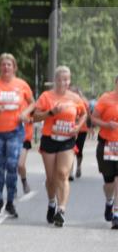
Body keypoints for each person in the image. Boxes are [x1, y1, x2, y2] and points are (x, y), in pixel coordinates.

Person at [0, 53, 34, 218]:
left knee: (12, 166)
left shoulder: (22, 84)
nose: (6, 67)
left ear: (14, 67)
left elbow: (33, 102)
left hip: (15, 132)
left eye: (9, 65)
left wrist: (25, 113)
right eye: (3, 64)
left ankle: (10, 200)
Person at [32, 66, 87, 228]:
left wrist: (77, 126)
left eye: (66, 79)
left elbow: (83, 113)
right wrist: (51, 112)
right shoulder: (46, 96)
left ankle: (61, 210)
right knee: (51, 178)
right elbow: (34, 117)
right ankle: (51, 202)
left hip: (67, 140)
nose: (63, 82)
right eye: (60, 79)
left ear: (69, 80)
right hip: (49, 139)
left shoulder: (75, 98)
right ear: (55, 80)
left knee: (62, 174)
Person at [90, 75, 118, 229]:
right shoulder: (106, 99)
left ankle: (116, 214)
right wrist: (107, 125)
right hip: (106, 145)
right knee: (109, 182)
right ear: (116, 83)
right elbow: (93, 119)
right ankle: (109, 201)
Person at [71, 86, 91, 180]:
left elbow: (88, 115)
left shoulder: (84, 102)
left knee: (79, 150)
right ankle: (69, 171)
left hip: (82, 130)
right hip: (70, 130)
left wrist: (90, 127)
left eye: (75, 92)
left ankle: (78, 166)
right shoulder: (67, 101)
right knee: (70, 149)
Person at [18, 118, 35, 195]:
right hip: (11, 137)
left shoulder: (29, 107)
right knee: (12, 164)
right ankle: (12, 186)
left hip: (25, 139)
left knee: (20, 164)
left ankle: (24, 181)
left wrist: (30, 120)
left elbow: (35, 117)